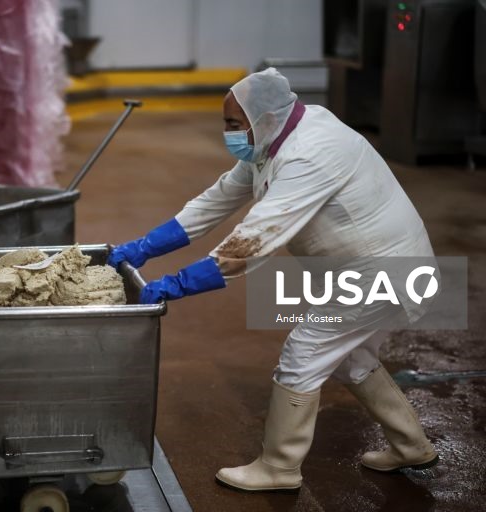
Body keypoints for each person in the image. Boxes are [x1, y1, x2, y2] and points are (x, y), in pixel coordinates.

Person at [106, 68, 439, 492]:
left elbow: (253, 243)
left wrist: (176, 284)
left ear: (263, 119)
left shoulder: (309, 154)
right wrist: (145, 246)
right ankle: (411, 446)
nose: (226, 133)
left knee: (305, 352)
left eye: (232, 124)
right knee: (351, 359)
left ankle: (279, 468)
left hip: (386, 270)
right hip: (370, 267)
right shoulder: (275, 136)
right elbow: (218, 198)